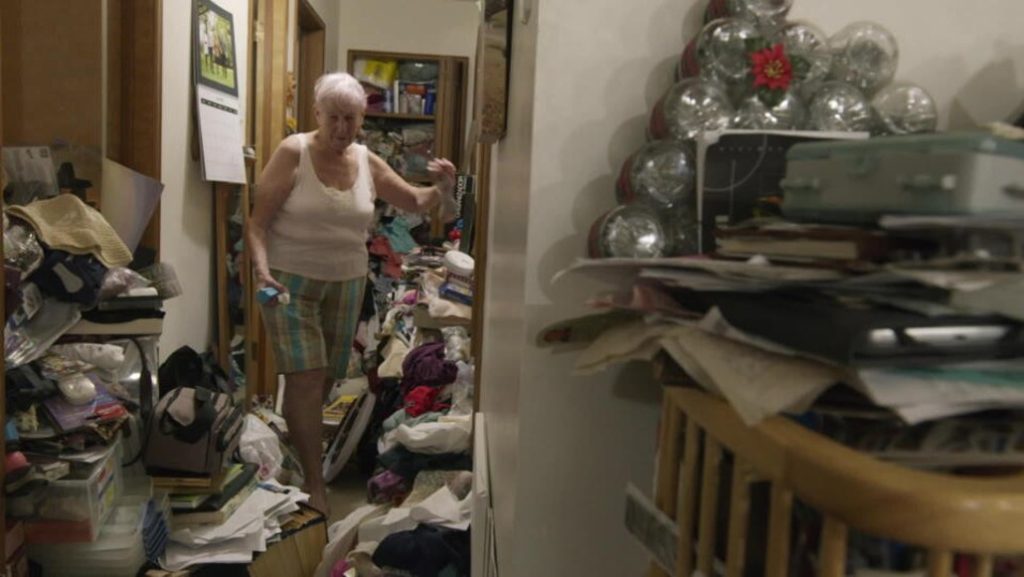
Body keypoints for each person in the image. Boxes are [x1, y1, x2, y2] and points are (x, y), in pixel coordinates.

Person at [248, 72, 456, 515]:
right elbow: (257, 223)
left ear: (362, 118)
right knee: (305, 378)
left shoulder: (365, 159)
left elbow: (414, 202)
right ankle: (315, 482)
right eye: (334, 118)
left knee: (324, 379)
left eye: (351, 118)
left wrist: (443, 187)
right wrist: (261, 270)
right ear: (317, 114)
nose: (342, 128)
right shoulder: (294, 152)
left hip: (347, 282)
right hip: (290, 282)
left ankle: (298, 450)